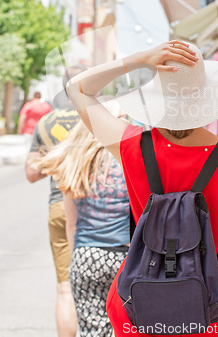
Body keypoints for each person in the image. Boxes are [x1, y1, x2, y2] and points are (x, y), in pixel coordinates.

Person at [66, 41, 218, 337]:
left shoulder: (132, 146)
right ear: (208, 99)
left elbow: (77, 89)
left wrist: (139, 59)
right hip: (209, 308)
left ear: (158, 98)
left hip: (140, 301)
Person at [33, 119, 130, 336]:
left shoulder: (75, 163)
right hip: (124, 257)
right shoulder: (126, 161)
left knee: (92, 329)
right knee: (127, 328)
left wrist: (77, 256)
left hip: (87, 256)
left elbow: (72, 223)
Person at [25, 66, 86, 337]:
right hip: (101, 211)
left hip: (59, 204)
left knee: (65, 288)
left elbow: (32, 172)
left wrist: (57, 158)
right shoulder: (100, 116)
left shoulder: (46, 123)